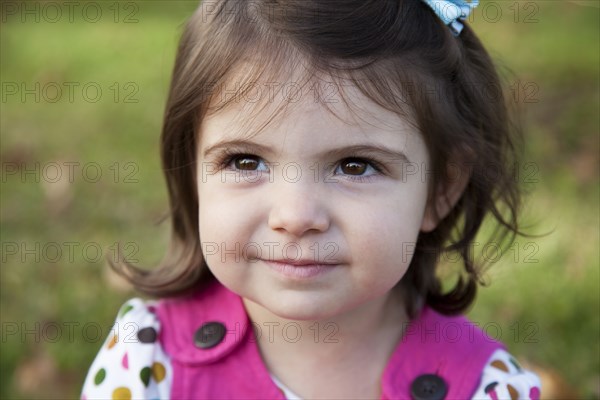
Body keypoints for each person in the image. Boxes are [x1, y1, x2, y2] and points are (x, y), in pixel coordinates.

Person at [81, 0, 542, 399]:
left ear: (440, 190)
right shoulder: (143, 357)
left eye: (355, 165)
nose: (296, 216)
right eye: (245, 162)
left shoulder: (488, 388)